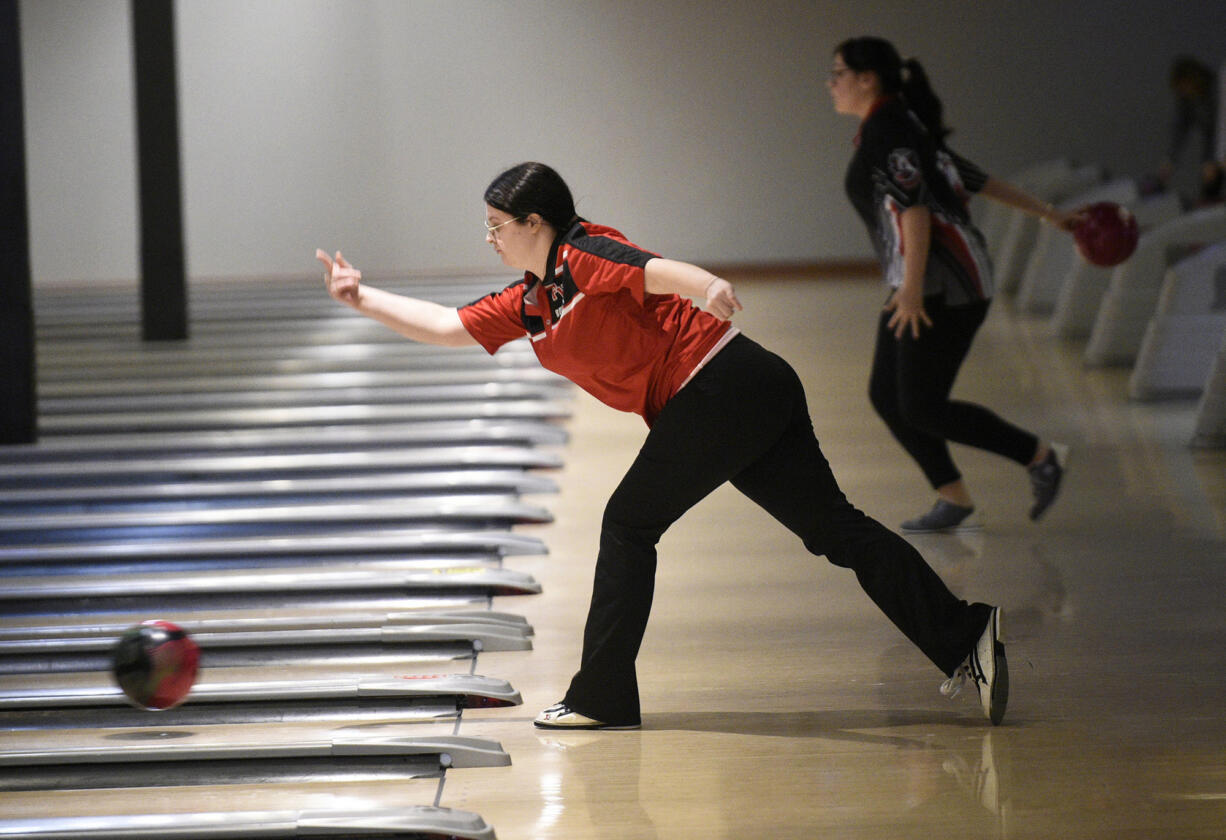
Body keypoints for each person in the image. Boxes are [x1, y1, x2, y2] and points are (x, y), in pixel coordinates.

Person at [316, 161, 1009, 728]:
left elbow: (650, 266)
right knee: (835, 529)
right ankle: (964, 636)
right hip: (745, 387)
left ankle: (601, 697)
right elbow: (444, 327)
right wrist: (361, 297)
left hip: (717, 383)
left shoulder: (580, 251)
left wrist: (707, 285)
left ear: (536, 223)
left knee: (627, 523)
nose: (489, 238)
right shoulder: (529, 302)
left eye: (497, 227)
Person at [828, 36, 1076, 533]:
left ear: (866, 78)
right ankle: (954, 498)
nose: (830, 85)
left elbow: (917, 209)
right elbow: (972, 179)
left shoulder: (889, 131)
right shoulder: (899, 123)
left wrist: (913, 289)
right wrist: (1051, 214)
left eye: (837, 74)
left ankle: (1040, 456)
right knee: (887, 395)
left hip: (944, 286)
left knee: (921, 405)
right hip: (922, 280)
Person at [1159, 55, 1222, 205]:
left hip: (1221, 143)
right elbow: (1181, 128)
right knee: (1209, 188)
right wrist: (1169, 160)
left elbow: (1219, 129)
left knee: (1211, 177)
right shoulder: (1188, 100)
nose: (1183, 91)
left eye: (1183, 86)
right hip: (1213, 145)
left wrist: (1215, 159)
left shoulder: (1216, 89)